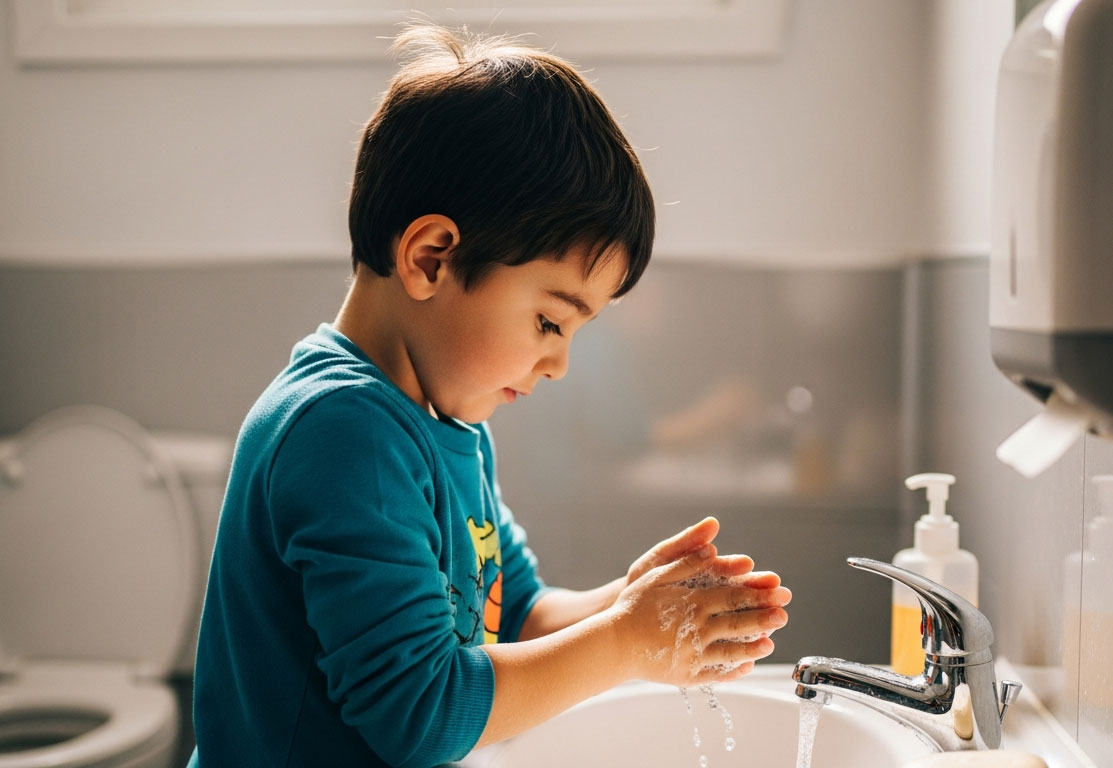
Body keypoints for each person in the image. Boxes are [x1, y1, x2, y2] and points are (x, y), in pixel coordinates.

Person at [188, 23, 792, 768]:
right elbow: (422, 713)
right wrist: (627, 640)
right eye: (548, 321)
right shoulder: (341, 431)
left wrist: (626, 601)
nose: (559, 364)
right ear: (431, 258)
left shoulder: (446, 426)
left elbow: (520, 621)